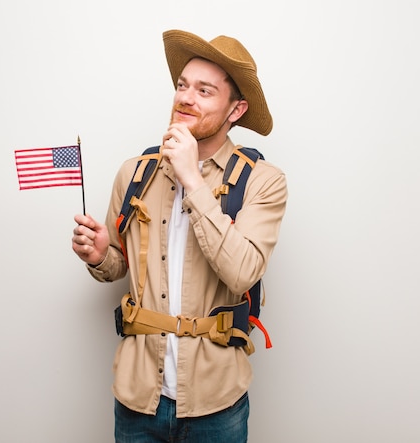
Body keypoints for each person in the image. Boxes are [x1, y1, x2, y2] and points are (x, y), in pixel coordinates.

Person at [71, 29, 287, 443]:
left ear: (235, 109)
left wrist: (193, 178)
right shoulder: (135, 172)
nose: (186, 97)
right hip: (137, 400)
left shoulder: (264, 182)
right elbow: (120, 264)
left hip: (215, 403)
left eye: (205, 91)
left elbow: (242, 273)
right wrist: (101, 256)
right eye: (183, 85)